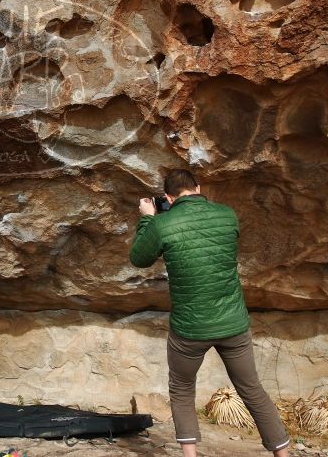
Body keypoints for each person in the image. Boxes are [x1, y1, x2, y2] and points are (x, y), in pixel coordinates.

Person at [129, 169, 290, 457]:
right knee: (252, 389)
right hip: (233, 324)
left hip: (190, 330)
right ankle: (283, 454)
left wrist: (147, 218)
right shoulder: (227, 215)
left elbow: (139, 258)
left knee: (181, 389)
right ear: (199, 187)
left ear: (167, 197)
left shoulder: (161, 224)